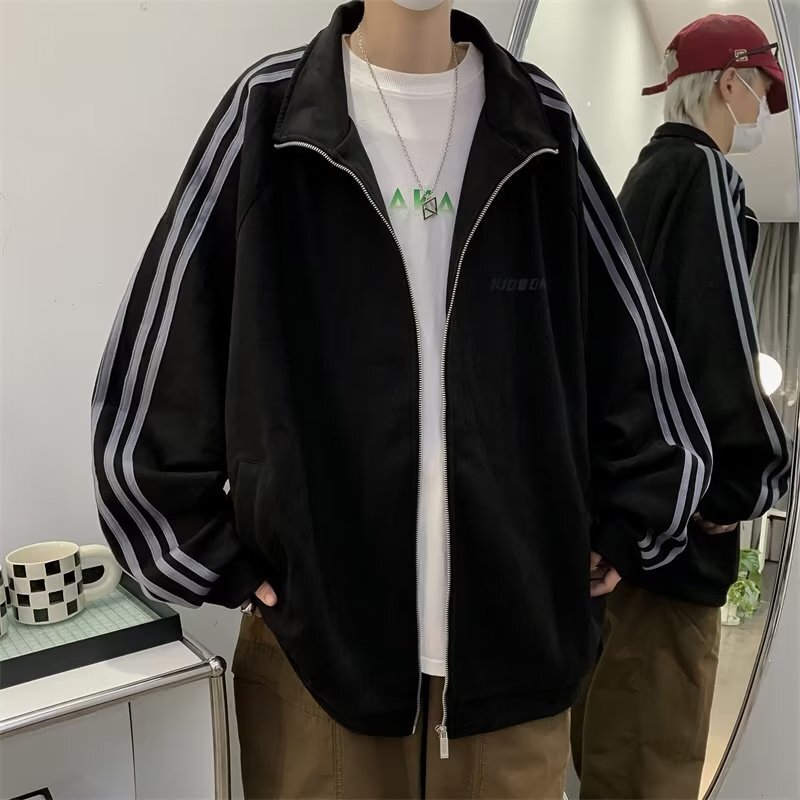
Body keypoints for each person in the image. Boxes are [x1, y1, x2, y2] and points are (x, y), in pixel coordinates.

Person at [91, 1, 711, 796]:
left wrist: (631, 523)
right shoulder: (271, 111)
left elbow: (640, 361)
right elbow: (153, 378)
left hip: (516, 665)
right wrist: (217, 561)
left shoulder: (539, 120)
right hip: (320, 666)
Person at [572, 14, 793, 800]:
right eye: (760, 90)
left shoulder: (641, 183)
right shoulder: (703, 176)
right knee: (651, 769)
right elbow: (716, 341)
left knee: (606, 755)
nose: (760, 111)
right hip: (675, 541)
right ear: (729, 83)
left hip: (622, 533)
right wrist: (749, 476)